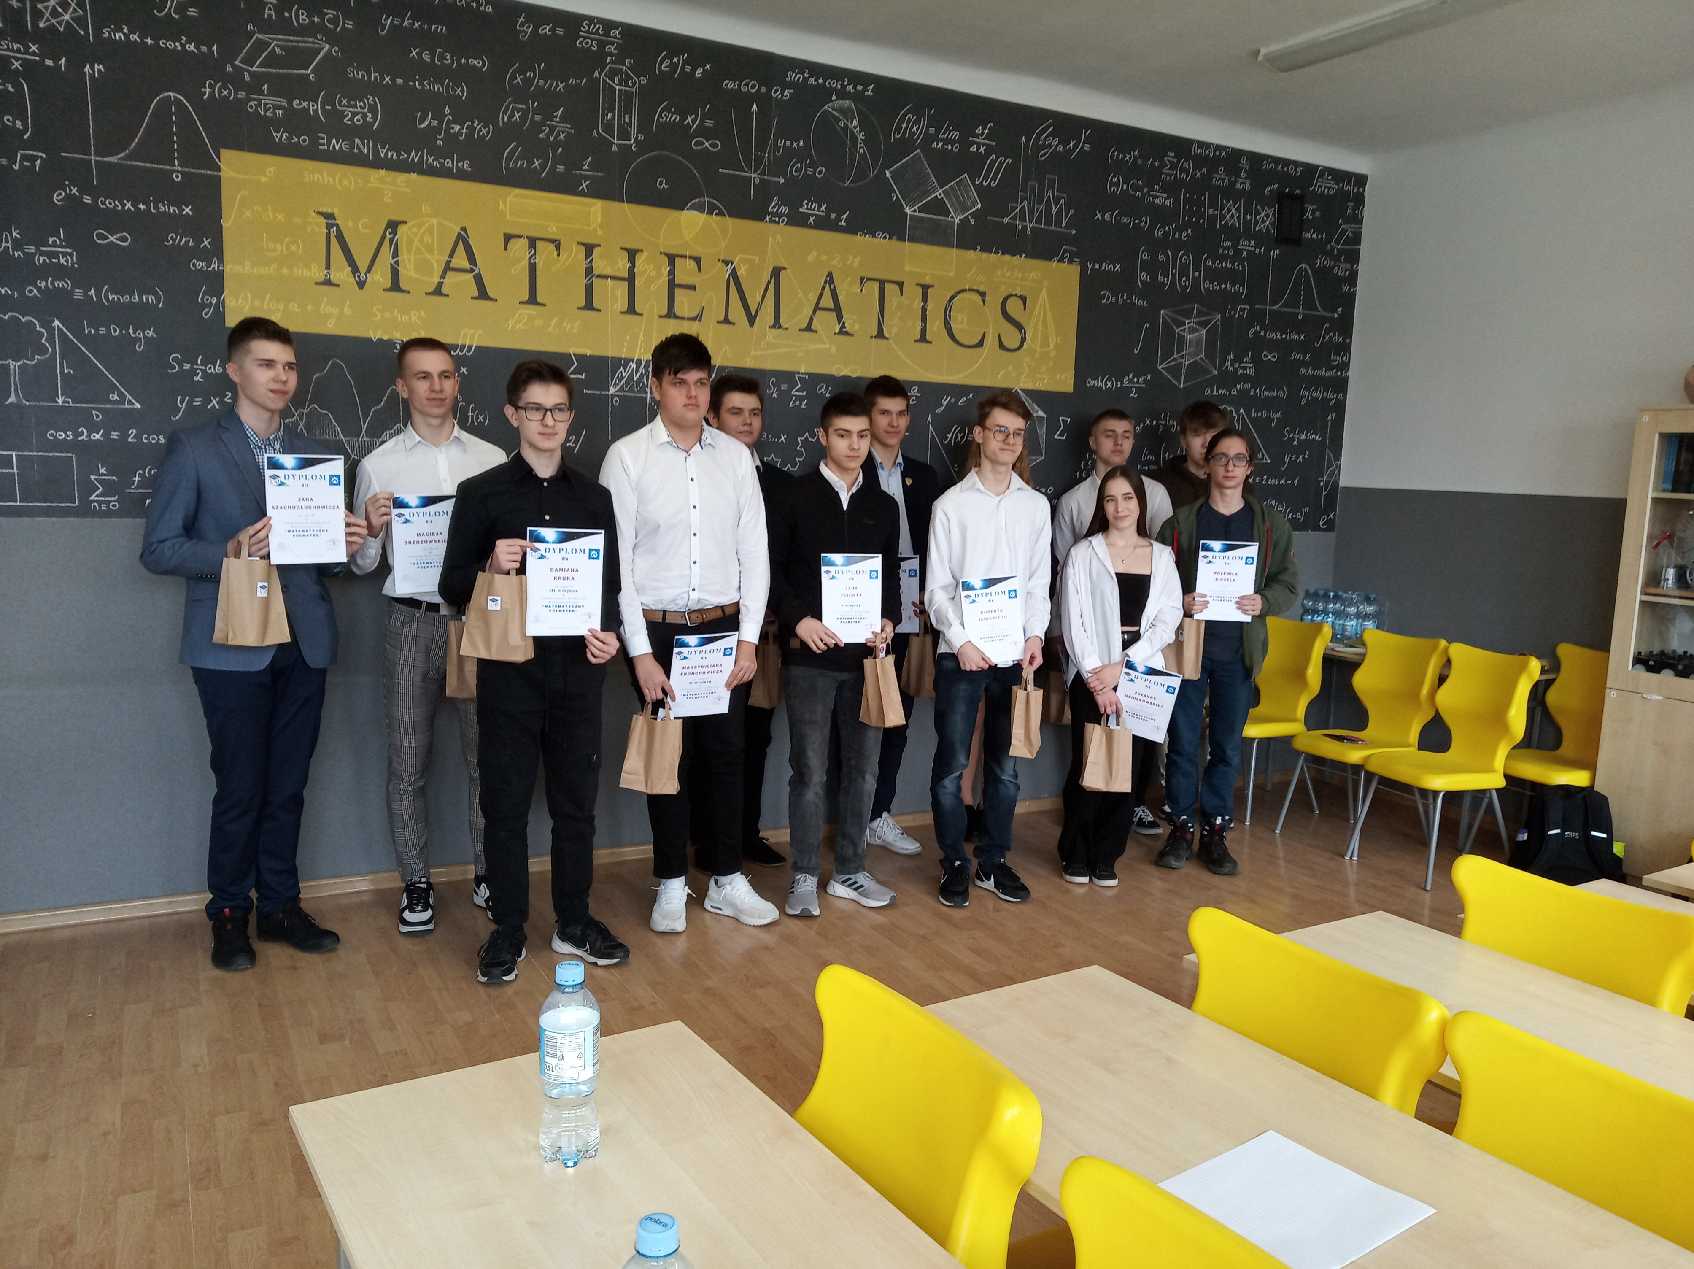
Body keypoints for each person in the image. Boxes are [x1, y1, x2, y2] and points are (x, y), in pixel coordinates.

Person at [140, 316, 367, 971]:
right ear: (235, 371)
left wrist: (346, 542)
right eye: (267, 365)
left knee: (288, 785)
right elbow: (158, 549)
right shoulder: (194, 448)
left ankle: (280, 906)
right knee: (240, 785)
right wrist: (231, 549)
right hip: (231, 643)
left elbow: (317, 561)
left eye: (289, 366)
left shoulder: (315, 456)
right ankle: (229, 913)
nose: (281, 377)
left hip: (304, 641)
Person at [439, 360, 629, 983]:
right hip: (509, 671)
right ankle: (508, 928)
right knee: (506, 807)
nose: (548, 421)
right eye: (535, 409)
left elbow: (609, 586)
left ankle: (573, 920)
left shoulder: (594, 498)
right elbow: (450, 585)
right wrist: (491, 566)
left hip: (578, 670)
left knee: (576, 806)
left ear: (571, 418)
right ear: (512, 415)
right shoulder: (483, 493)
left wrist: (610, 633)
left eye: (559, 410)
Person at [600, 334, 780, 932]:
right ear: (656, 387)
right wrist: (639, 654)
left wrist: (749, 638)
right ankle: (672, 882)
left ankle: (727, 878)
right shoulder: (627, 457)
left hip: (723, 630)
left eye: (702, 384)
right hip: (658, 633)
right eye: (680, 383)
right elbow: (619, 566)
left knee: (727, 755)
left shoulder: (734, 457)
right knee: (668, 759)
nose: (693, 395)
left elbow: (755, 552)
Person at [351, 337, 507, 937]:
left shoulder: (492, 459)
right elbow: (363, 565)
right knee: (408, 759)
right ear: (402, 387)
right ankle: (416, 881)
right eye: (422, 377)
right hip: (410, 620)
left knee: (486, 757)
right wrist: (370, 530)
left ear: (458, 383)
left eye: (446, 375)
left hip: (479, 619)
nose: (436, 387)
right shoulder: (379, 464)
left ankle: (489, 873)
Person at [768, 391, 902, 916]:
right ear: (823, 436)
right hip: (810, 659)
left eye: (863, 436)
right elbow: (772, 572)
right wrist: (799, 620)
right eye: (843, 435)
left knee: (864, 770)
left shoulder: (884, 506)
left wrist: (889, 618)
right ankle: (804, 874)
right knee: (809, 771)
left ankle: (849, 870)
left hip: (867, 661)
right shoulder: (794, 496)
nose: (854, 445)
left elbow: (891, 575)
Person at [924, 390, 1052, 908]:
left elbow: (1039, 581)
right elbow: (936, 589)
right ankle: (954, 860)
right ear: (978, 435)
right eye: (1000, 430)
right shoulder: (950, 506)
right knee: (952, 765)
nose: (1009, 440)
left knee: (1005, 768)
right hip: (962, 654)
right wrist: (962, 642)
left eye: (1017, 433)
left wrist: (1036, 635)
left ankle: (993, 863)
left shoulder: (1035, 506)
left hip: (1015, 656)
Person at [1154, 426, 1299, 875]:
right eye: (1221, 458)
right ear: (1208, 465)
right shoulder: (1180, 524)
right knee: (1181, 743)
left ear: (1249, 468)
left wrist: (1264, 602)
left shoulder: (1270, 525)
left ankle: (1215, 830)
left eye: (1239, 459)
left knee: (1226, 746)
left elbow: (1288, 583)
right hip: (1188, 650)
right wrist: (1179, 601)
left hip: (1238, 652)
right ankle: (1181, 827)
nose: (1230, 467)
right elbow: (1157, 583)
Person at [1051, 409, 1173, 839]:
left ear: (1141, 503)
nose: (1120, 507)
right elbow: (1075, 622)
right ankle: (1076, 851)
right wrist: (1098, 678)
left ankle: (1108, 856)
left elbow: (1167, 621)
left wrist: (1125, 666)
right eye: (1110, 500)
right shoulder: (1083, 554)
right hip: (1092, 672)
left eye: (1128, 499)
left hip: (1141, 672)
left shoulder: (1161, 556)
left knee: (1132, 769)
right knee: (1089, 763)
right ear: (1101, 505)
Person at [688, 372, 787, 870]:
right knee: (704, 740)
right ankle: (705, 841)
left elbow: (785, 557)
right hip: (708, 626)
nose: (747, 422)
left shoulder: (781, 483)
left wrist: (773, 603)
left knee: (755, 735)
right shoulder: (695, 475)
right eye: (735, 413)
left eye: (754, 413)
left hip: (764, 631)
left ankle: (744, 834)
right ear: (711, 416)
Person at [860, 374, 943, 857]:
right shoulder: (851, 469)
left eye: (901, 414)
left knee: (898, 714)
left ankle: (879, 813)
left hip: (913, 613)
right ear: (868, 417)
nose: (893, 422)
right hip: (863, 613)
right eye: (883, 413)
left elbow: (939, 546)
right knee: (858, 718)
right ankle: (854, 814)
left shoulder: (926, 477)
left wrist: (930, 591)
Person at [1154, 400, 1230, 511]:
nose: (1206, 444)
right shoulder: (1159, 485)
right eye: (1198, 435)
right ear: (1183, 441)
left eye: (1214, 435)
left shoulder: (1236, 483)